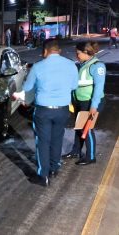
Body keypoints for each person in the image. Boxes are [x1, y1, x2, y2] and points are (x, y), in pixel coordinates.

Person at [16, 39, 79, 186]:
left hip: (43, 111)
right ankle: (54, 168)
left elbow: (28, 87)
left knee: (43, 142)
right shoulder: (71, 65)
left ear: (45, 51)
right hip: (63, 110)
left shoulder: (38, 67)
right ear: (59, 51)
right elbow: (74, 86)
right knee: (57, 139)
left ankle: (43, 175)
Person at [62, 41, 106, 165]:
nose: (77, 56)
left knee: (87, 129)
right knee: (79, 127)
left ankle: (91, 156)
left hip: (90, 102)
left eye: (78, 53)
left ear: (86, 52)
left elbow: (98, 88)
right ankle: (76, 151)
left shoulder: (97, 66)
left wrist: (93, 106)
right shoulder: (83, 64)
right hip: (80, 102)